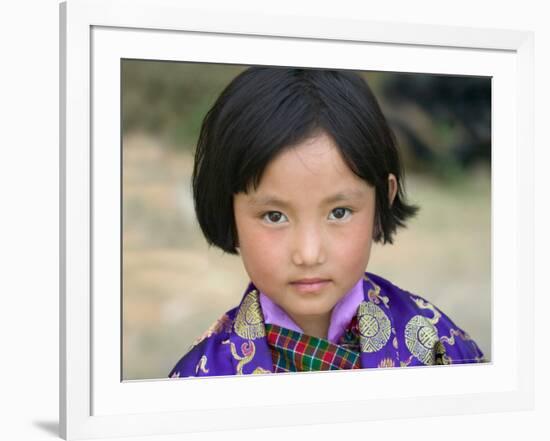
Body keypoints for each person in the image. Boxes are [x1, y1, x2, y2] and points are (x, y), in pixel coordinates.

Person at [168, 67, 485, 378]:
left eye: (339, 212)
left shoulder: (438, 347)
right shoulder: (202, 376)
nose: (308, 254)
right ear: (229, 212)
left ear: (381, 202)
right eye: (274, 216)